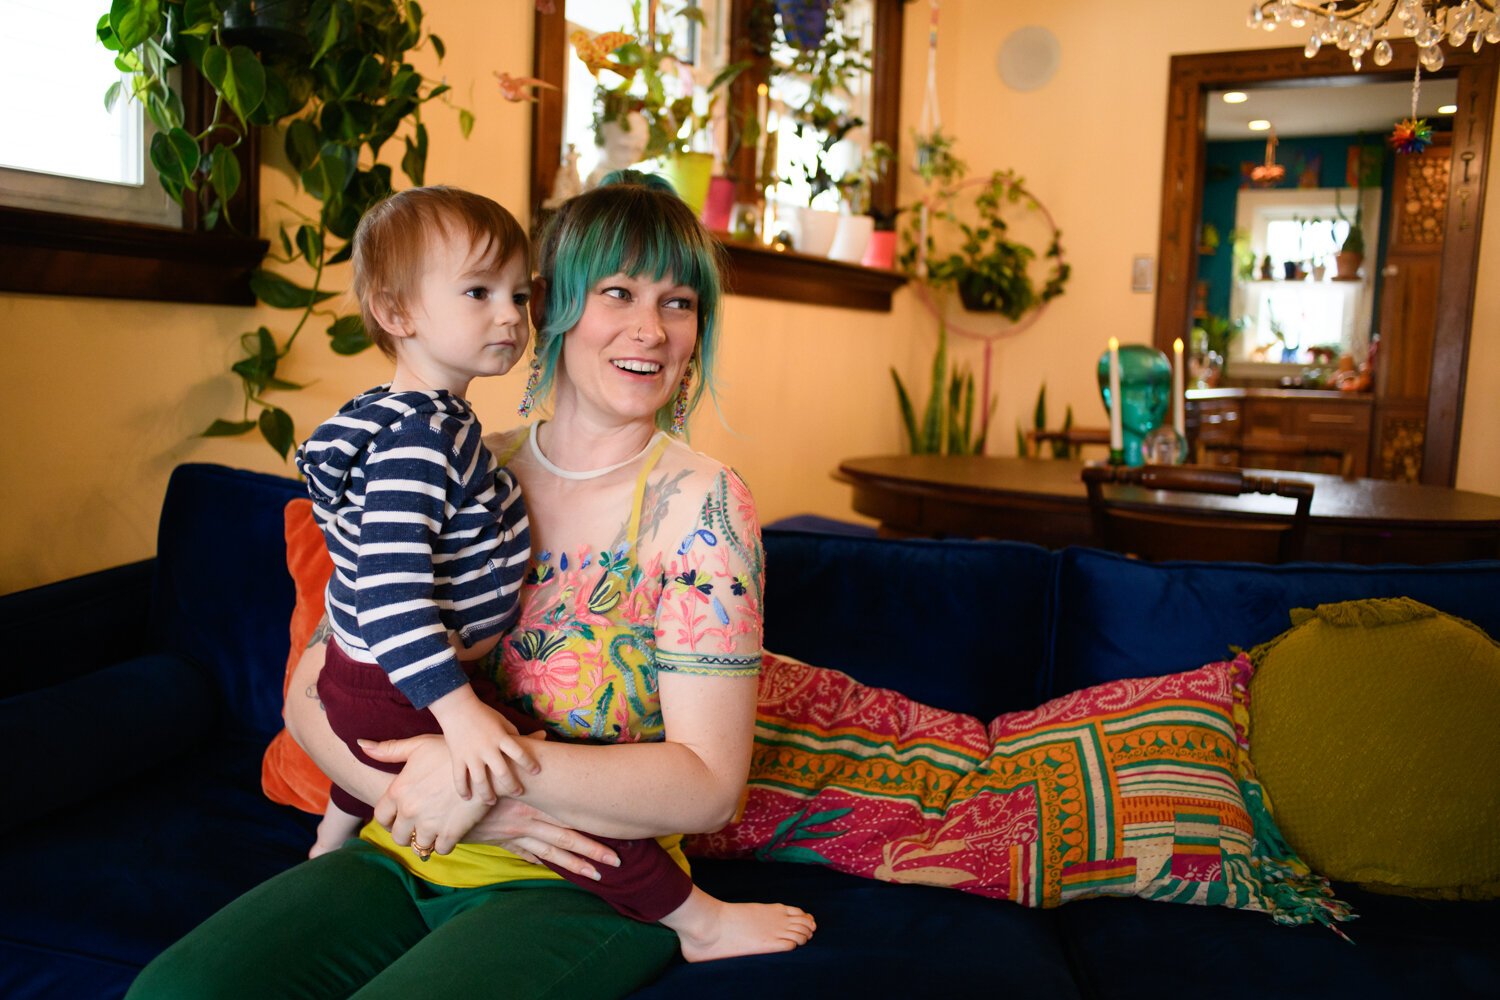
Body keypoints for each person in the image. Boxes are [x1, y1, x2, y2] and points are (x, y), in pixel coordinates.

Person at [127, 172, 814, 1000]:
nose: (651, 329)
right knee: (176, 992)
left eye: (679, 302)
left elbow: (708, 787)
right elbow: (315, 687)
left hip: (580, 881)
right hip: (404, 846)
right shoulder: (458, 465)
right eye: (619, 292)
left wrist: (475, 772)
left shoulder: (702, 505)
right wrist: (411, 793)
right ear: (549, 307)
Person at [295, 185, 538, 859]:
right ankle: (694, 918)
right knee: (542, 772)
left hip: (362, 670)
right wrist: (458, 714)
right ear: (396, 312)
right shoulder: (423, 440)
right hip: (404, 683)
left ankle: (332, 837)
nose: (511, 316)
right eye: (478, 292)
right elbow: (391, 596)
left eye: (519, 295)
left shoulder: (392, 413)